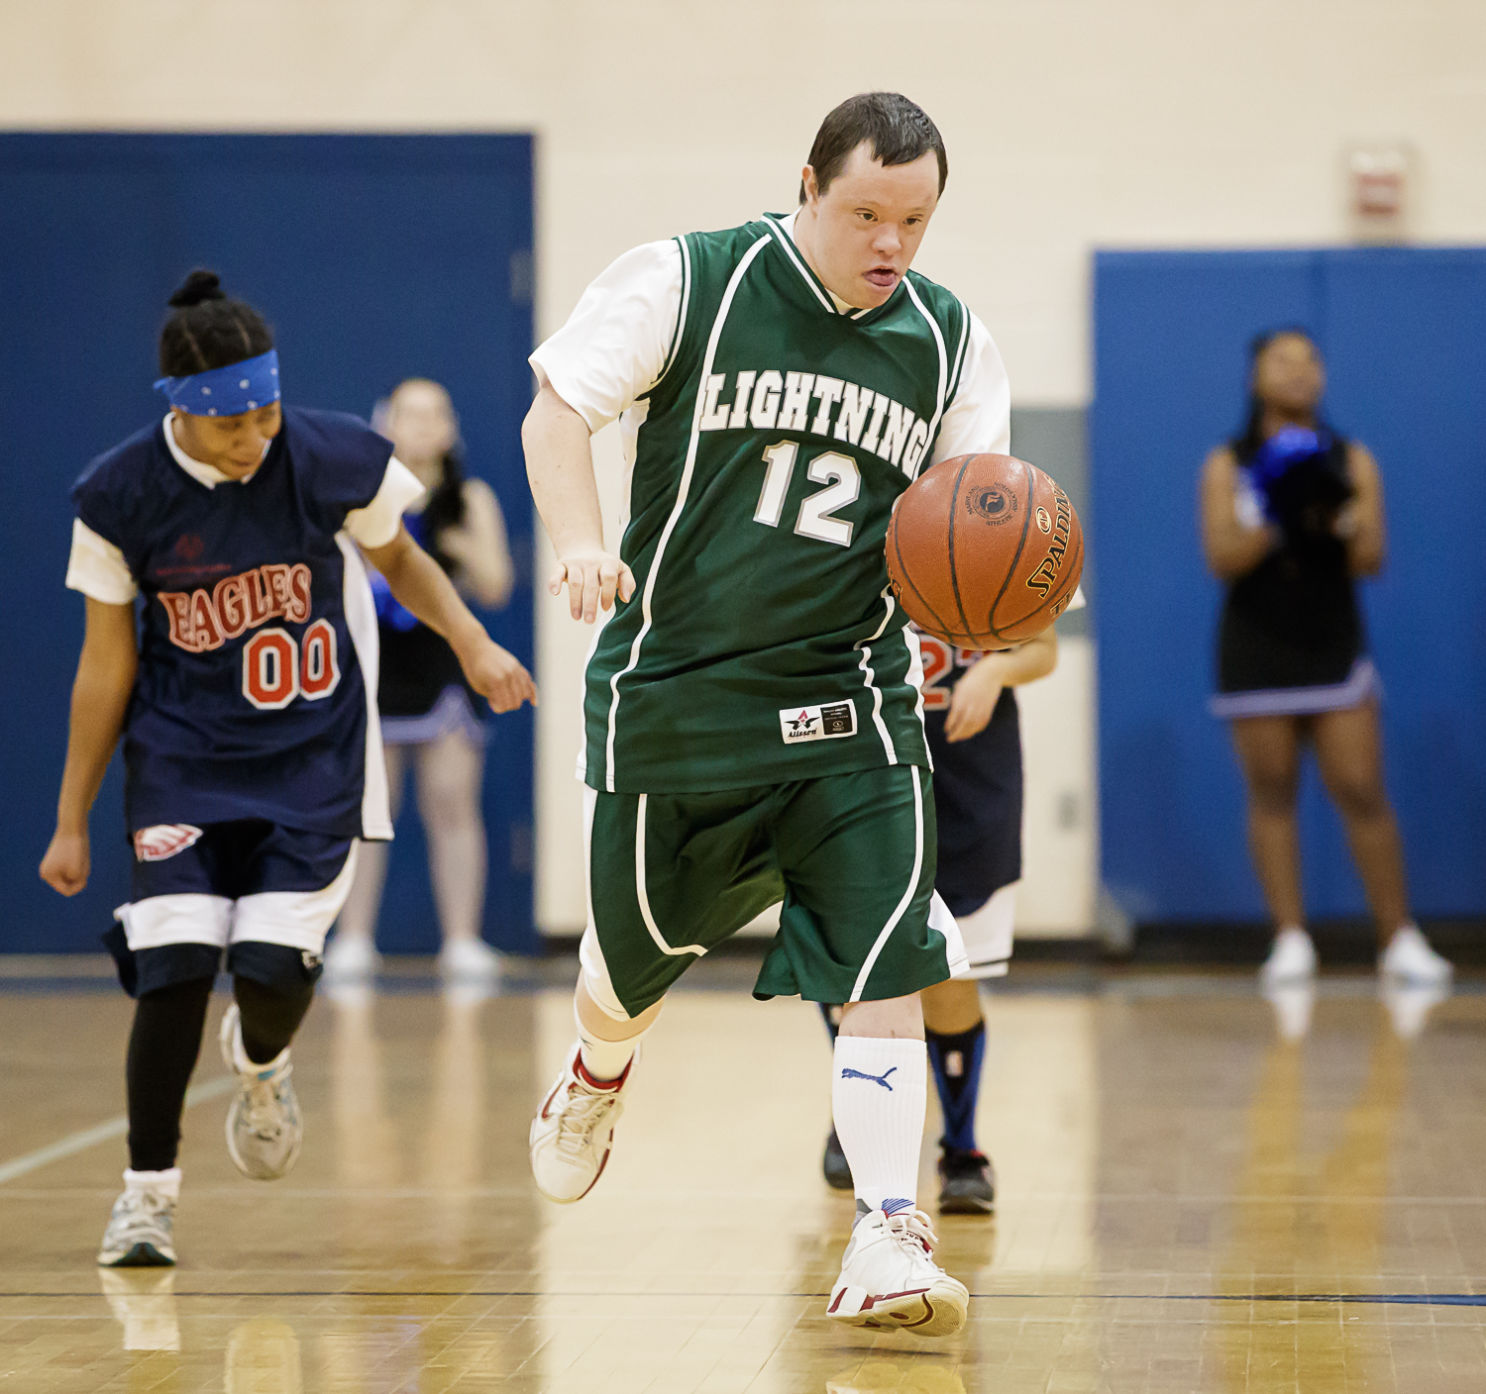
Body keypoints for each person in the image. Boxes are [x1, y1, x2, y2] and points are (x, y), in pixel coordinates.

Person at [522, 92, 1013, 1338]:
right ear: (806, 183)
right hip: (676, 702)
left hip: (851, 709)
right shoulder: (692, 280)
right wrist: (581, 542)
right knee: (622, 978)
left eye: (914, 218)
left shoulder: (952, 342)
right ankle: (596, 1070)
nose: (890, 241)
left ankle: (889, 1230)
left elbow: (977, 518)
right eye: (865, 213)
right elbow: (556, 408)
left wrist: (1002, 596)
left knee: (881, 967)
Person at [39, 271, 536, 1269]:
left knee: (267, 974)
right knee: (175, 969)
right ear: (181, 409)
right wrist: (70, 815)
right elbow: (106, 664)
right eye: (236, 425)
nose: (259, 437)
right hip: (181, 757)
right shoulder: (119, 494)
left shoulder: (326, 455)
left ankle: (263, 1059)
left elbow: (401, 561)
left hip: (312, 756)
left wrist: (475, 644)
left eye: (270, 411)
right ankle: (148, 1195)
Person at [1199, 327, 1450, 987]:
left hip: (1332, 641)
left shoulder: (1351, 458)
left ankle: (1398, 940)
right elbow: (1221, 557)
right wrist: (1279, 512)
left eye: (1311, 360)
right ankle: (1289, 941)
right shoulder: (1229, 462)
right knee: (1272, 790)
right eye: (1283, 359)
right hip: (1256, 644)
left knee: (1361, 787)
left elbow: (1371, 558)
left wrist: (1329, 512)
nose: (1300, 371)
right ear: (1256, 376)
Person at [820, 617, 1067, 1214]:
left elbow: (1044, 646)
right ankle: (861, 1119)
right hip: (857, 758)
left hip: (968, 767)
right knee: (851, 970)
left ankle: (961, 1149)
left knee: (953, 981)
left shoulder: (1012, 518)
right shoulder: (838, 526)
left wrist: (996, 667)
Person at [325, 378, 516, 986]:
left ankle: (462, 941)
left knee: (452, 804)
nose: (424, 426)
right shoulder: (362, 493)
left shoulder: (469, 499)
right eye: (411, 414)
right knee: (369, 811)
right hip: (376, 669)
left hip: (443, 671)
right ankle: (353, 940)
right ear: (386, 423)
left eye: (437, 413)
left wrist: (454, 542)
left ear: (451, 426)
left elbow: (497, 584)